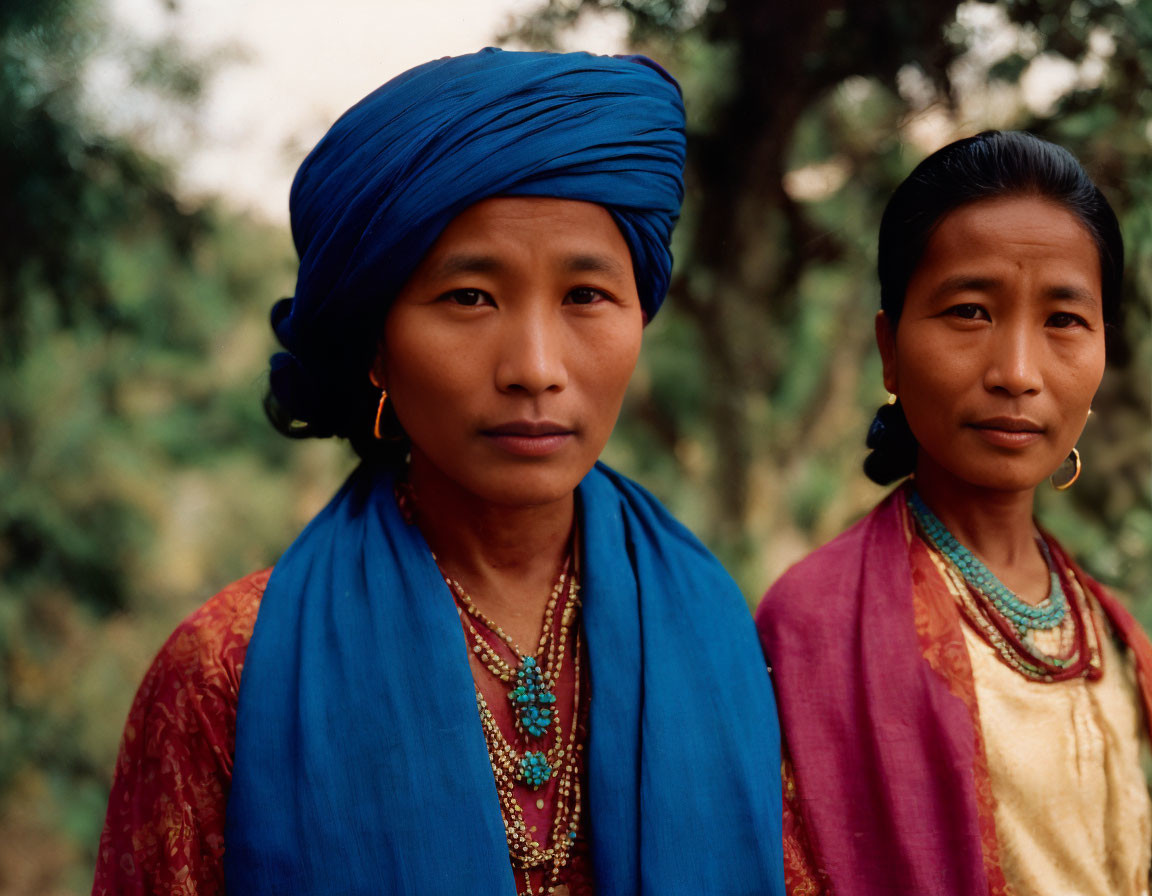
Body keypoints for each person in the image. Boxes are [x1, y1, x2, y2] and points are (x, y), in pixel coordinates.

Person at [92, 48, 785, 896]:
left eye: (585, 297)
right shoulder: (227, 675)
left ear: (640, 315)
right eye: (469, 297)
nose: (535, 367)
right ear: (377, 345)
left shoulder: (724, 636)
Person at [756, 131, 1152, 896]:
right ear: (890, 349)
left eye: (1064, 320)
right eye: (970, 311)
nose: (1016, 373)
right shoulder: (815, 625)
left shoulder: (1109, 629)